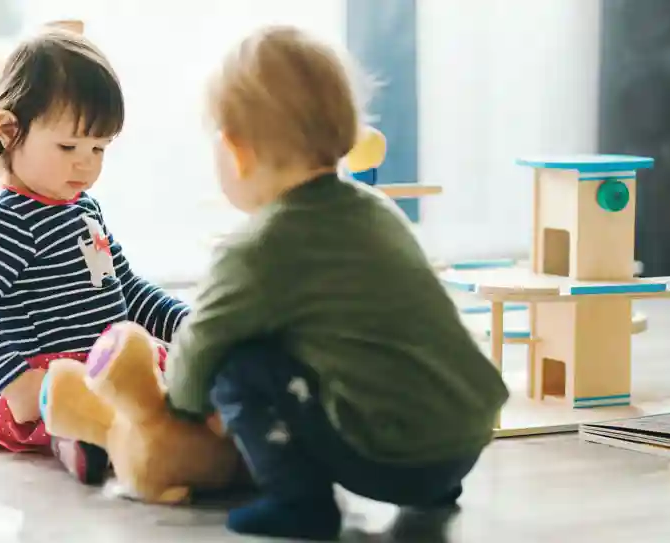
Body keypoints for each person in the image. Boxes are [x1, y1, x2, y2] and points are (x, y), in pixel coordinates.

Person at [163, 26, 510, 541]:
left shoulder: (260, 248)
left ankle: (299, 505)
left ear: (236, 151)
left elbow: (200, 344)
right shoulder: (379, 212)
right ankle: (433, 492)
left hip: (390, 457)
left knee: (237, 366)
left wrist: (179, 407)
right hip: (464, 440)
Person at [0, 27, 190, 485]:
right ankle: (81, 440)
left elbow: (126, 289)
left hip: (104, 367)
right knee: (101, 406)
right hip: (44, 384)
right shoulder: (2, 219)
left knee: (164, 386)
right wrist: (17, 383)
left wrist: (187, 325)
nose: (88, 165)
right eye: (69, 147)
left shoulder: (83, 208)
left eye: (99, 149)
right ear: (9, 130)